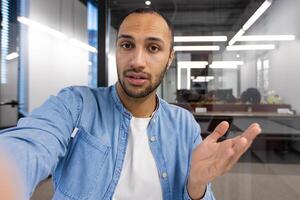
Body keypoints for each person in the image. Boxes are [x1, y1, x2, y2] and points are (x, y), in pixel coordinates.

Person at [0, 7, 261, 200]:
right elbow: (28, 145)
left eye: (153, 48)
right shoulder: (75, 105)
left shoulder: (183, 125)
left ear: (170, 58)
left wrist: (197, 187)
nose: (137, 60)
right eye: (127, 45)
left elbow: (199, 194)